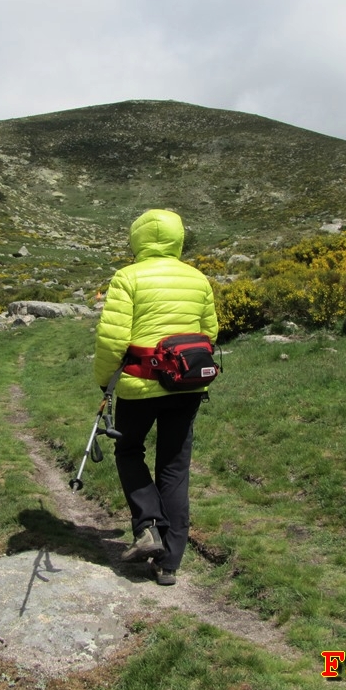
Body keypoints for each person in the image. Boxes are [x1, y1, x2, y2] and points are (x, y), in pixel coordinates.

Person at [93, 209, 219, 586]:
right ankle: (169, 564)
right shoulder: (198, 279)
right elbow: (210, 332)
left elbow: (113, 339)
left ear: (138, 238)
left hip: (140, 384)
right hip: (187, 386)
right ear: (179, 238)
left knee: (129, 450)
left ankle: (148, 525)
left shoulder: (127, 277)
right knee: (175, 467)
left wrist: (105, 382)